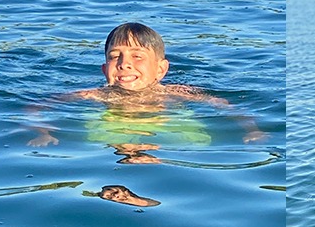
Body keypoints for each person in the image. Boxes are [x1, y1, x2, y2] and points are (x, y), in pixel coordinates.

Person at [26, 22, 267, 147]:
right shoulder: (95, 95)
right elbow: (38, 107)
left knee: (196, 141)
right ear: (104, 69)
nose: (124, 64)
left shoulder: (176, 93)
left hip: (166, 129)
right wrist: (43, 132)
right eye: (114, 57)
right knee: (96, 141)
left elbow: (226, 106)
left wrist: (252, 129)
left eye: (137, 56)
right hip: (114, 134)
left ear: (161, 69)